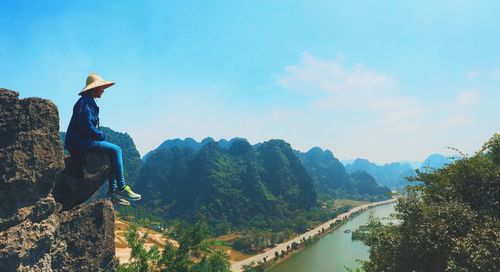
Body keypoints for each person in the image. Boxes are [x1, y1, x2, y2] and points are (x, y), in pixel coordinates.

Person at [65, 72, 141, 206]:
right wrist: (101, 135)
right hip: (79, 142)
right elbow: (86, 127)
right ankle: (121, 188)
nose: (103, 90)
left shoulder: (87, 102)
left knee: (110, 153)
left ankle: (112, 192)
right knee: (116, 150)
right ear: (94, 88)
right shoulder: (85, 103)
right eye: (101, 87)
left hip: (81, 141)